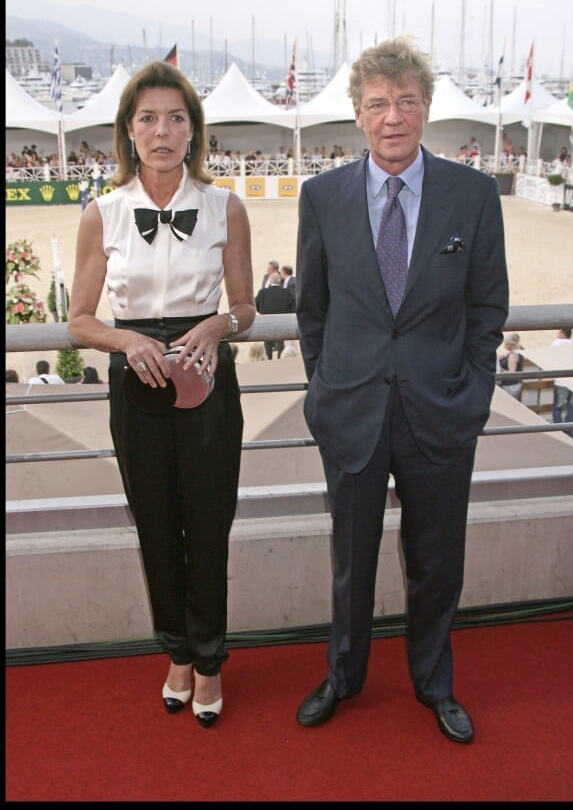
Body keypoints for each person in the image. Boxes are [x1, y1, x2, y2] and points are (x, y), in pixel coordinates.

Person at [294, 36, 509, 743]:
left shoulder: (473, 195)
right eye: (379, 103)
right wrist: (324, 392)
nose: (394, 116)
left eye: (407, 102)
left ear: (426, 108)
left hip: (441, 411)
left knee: (437, 561)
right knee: (349, 561)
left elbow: (487, 308)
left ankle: (435, 684)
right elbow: (313, 310)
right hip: (351, 411)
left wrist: (474, 390)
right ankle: (344, 675)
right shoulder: (321, 197)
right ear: (357, 113)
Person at [67, 60, 256, 729]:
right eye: (147, 117)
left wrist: (215, 324)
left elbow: (246, 308)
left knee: (208, 525)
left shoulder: (226, 205)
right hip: (137, 382)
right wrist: (126, 343)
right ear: (127, 130)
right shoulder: (103, 213)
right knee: (155, 525)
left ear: (194, 130)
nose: (162, 130)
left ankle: (208, 663)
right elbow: (80, 318)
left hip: (207, 376)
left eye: (176, 117)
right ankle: (177, 653)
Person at [255, 271, 295, 359]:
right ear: (280, 281)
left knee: (267, 343)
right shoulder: (286, 292)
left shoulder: (262, 292)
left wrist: (262, 312)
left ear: (270, 281)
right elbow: (292, 306)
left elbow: (256, 304)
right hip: (282, 321)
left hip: (266, 320)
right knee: (280, 342)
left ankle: (269, 359)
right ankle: (279, 360)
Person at [551, 327, 573, 436]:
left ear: (562, 332)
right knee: (572, 407)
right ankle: (569, 432)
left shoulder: (557, 343)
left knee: (557, 408)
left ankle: (558, 432)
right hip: (572, 380)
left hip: (561, 381)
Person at [498, 332, 525, 401]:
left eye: (506, 344)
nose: (504, 346)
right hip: (516, 384)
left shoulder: (513, 355)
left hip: (510, 385)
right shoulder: (519, 352)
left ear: (512, 344)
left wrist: (500, 369)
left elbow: (511, 373)